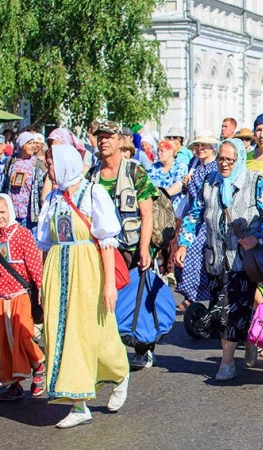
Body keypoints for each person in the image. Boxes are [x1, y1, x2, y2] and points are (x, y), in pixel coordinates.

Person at [36, 144, 131, 428]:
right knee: (62, 334)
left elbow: (106, 242)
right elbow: (46, 242)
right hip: (58, 269)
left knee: (95, 329)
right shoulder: (53, 198)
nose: (48, 170)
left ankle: (119, 373)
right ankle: (79, 404)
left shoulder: (93, 193)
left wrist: (108, 285)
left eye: (51, 164)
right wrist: (43, 282)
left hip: (88, 268)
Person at [173, 139, 263, 381]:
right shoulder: (210, 182)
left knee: (228, 309)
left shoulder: (254, 181)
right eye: (221, 158)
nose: (224, 163)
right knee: (227, 308)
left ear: (239, 159)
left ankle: (227, 362)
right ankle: (250, 338)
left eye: (230, 159)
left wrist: (256, 237)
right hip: (215, 258)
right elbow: (195, 214)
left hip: (243, 261)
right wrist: (184, 244)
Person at [87, 121, 159, 369]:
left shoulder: (134, 172)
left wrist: (144, 249)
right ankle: (109, 347)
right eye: (100, 137)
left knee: (136, 298)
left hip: (130, 247)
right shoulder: (92, 175)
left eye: (108, 136)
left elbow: (147, 213)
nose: (103, 141)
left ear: (120, 141)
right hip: (102, 248)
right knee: (104, 297)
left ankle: (143, 346)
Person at [0, 193, 44, 400]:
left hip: (19, 295)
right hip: (0, 297)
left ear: (10, 211)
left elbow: (35, 266)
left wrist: (41, 290)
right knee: (5, 343)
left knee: (23, 335)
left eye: (2, 212)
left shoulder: (22, 234)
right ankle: (14, 384)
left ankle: (38, 366)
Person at [174, 133, 219, 310]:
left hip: (210, 218)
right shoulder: (196, 167)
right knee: (183, 250)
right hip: (195, 216)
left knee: (197, 254)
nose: (200, 149)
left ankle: (195, 296)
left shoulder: (216, 168)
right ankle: (191, 295)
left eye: (204, 145)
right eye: (197, 145)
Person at [3, 132, 47, 231]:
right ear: (22, 145)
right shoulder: (11, 161)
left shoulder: (38, 164)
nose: (33, 146)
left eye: (34, 143)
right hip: (13, 212)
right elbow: (5, 183)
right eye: (30, 143)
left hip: (30, 214)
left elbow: (42, 187)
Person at [148, 140, 189, 218]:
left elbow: (178, 186)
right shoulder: (154, 167)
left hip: (173, 211)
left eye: (162, 151)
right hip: (155, 209)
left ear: (171, 152)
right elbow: (148, 184)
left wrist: (159, 195)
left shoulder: (180, 167)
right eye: (158, 150)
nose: (159, 153)